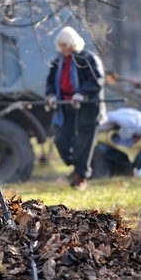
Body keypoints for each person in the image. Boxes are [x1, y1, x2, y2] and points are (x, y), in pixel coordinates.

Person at [45, 26, 106, 190]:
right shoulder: (58, 61)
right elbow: (50, 82)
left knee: (83, 144)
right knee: (60, 140)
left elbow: (97, 80)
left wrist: (81, 93)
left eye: (66, 44)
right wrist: (50, 95)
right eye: (61, 45)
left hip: (87, 109)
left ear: (73, 43)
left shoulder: (87, 59)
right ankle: (77, 167)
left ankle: (81, 177)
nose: (63, 48)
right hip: (65, 107)